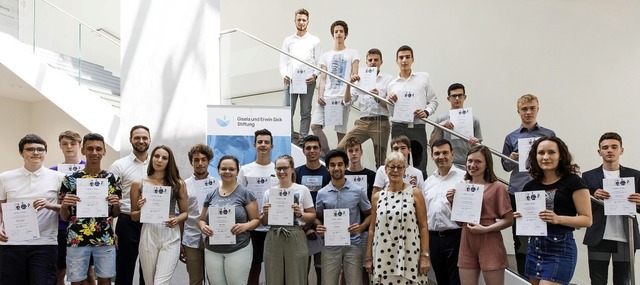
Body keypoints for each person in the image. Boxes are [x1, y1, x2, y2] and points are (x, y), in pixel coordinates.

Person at [513, 136, 592, 285]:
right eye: (541, 153)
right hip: (534, 247)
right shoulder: (530, 187)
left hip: (560, 247)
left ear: (560, 155)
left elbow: (586, 220)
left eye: (551, 152)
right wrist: (520, 216)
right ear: (535, 156)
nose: (545, 157)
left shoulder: (573, 181)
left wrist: (558, 219)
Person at [501, 94, 555, 275]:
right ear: (518, 112)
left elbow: (557, 161)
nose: (528, 112)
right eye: (524, 109)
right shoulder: (511, 137)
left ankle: (544, 274)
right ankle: (524, 276)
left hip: (545, 189)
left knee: (547, 233)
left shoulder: (549, 135)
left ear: (538, 109)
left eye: (532, 108)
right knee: (521, 238)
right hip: (518, 191)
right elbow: (505, 166)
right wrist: (511, 158)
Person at [0, 134, 65, 284]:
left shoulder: (59, 177)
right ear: (21, 153)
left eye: (40, 149)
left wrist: (50, 205)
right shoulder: (5, 177)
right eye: (30, 149)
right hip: (11, 243)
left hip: (45, 244)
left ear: (45, 153)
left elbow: (67, 209)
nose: (36, 153)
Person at [59, 133, 122, 285]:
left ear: (104, 151)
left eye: (98, 149)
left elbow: (115, 214)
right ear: (83, 150)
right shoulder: (70, 179)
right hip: (77, 237)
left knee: (105, 279)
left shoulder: (113, 179)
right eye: (90, 149)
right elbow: (64, 217)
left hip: (105, 237)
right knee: (77, 280)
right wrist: (64, 205)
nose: (94, 152)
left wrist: (116, 205)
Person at [447, 145, 512, 285]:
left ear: (487, 164)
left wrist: (485, 229)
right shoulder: (463, 186)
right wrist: (453, 202)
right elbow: (460, 222)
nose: (472, 165)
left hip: (489, 239)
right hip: (467, 239)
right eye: (470, 161)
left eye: (478, 161)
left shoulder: (497, 187)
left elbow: (509, 220)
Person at [582, 132, 640, 285]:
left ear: (621, 150)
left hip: (626, 238)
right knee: (597, 281)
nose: (609, 150)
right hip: (598, 237)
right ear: (599, 151)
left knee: (623, 281)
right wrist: (594, 197)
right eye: (605, 147)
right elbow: (582, 208)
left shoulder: (635, 175)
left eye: (614, 147)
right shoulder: (588, 176)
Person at [365, 152, 430, 284]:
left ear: (405, 169)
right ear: (385, 169)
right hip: (382, 255)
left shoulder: (415, 193)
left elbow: (423, 226)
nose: (395, 171)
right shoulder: (377, 197)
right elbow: (372, 228)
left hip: (410, 255)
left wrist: (424, 256)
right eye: (392, 167)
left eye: (400, 167)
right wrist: (368, 257)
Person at [130, 145, 188, 285]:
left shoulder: (178, 183)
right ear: (152, 158)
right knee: (150, 282)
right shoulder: (138, 183)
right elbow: (133, 216)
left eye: (164, 158)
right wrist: (141, 209)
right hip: (148, 232)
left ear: (169, 161)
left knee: (161, 282)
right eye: (156, 156)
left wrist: (177, 219)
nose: (159, 160)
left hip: (170, 232)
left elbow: (185, 213)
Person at [199, 155, 260, 285]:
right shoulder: (211, 194)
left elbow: (256, 220)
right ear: (218, 170)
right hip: (212, 250)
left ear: (237, 171)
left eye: (231, 169)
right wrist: (203, 227)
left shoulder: (245, 193)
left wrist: (244, 226)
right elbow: (202, 220)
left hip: (238, 249)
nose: (227, 172)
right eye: (224, 169)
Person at [315, 149, 371, 285]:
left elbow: (370, 214)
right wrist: (318, 226)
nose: (336, 168)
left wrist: (362, 226)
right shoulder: (322, 193)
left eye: (340, 164)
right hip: (330, 245)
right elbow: (317, 217)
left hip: (353, 245)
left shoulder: (358, 191)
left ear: (346, 166)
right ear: (328, 168)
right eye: (332, 165)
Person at [261, 155, 317, 285]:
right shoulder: (269, 193)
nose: (281, 172)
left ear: (292, 169)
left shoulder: (302, 189)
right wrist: (265, 214)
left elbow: (312, 215)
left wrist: (300, 214)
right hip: (274, 236)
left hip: (296, 235)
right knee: (273, 278)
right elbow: (264, 222)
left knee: (296, 279)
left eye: (285, 168)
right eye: (278, 168)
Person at [50, 130, 95, 285]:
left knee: (88, 271)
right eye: (65, 144)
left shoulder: (91, 169)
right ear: (60, 146)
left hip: (86, 226)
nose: (69, 147)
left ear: (80, 145)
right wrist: (63, 204)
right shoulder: (52, 172)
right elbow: (51, 200)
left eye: (73, 143)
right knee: (59, 271)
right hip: (61, 227)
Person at [337, 48, 393, 168]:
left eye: (376, 60)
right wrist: (348, 84)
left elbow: (391, 107)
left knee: (380, 160)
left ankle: (380, 185)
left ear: (381, 62)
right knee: (341, 148)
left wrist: (378, 97)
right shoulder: (359, 78)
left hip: (380, 122)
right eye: (370, 60)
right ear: (366, 62)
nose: (373, 62)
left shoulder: (389, 80)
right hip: (362, 122)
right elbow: (347, 102)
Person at [109, 125, 151, 285]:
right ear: (130, 140)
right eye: (137, 138)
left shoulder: (157, 165)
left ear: (149, 140)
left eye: (144, 138)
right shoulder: (119, 165)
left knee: (147, 271)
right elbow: (109, 198)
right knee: (124, 270)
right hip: (127, 223)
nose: (141, 141)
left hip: (151, 222)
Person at [311, 20, 359, 156]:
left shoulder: (352, 53)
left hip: (342, 98)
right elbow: (323, 78)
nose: (338, 34)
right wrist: (320, 95)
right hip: (326, 97)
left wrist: (350, 98)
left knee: (341, 133)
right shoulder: (325, 56)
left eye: (341, 31)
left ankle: (340, 160)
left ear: (345, 34)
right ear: (333, 34)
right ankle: (328, 155)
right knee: (315, 126)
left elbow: (355, 76)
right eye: (336, 31)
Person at [387, 45, 438, 173]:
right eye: (401, 57)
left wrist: (426, 112)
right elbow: (392, 112)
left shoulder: (423, 78)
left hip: (418, 127)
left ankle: (419, 193)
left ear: (412, 59)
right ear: (397, 61)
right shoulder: (392, 84)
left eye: (407, 57)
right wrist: (390, 101)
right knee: (398, 166)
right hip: (399, 127)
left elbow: (434, 101)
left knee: (420, 167)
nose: (404, 60)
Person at [422, 138, 465, 285]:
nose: (441, 157)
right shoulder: (427, 182)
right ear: (432, 156)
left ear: (452, 154)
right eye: (437, 153)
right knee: (441, 279)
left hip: (456, 236)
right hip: (434, 238)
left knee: (456, 280)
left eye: (445, 152)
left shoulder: (464, 178)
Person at [237, 129, 277, 285]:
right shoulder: (245, 170)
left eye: (266, 142)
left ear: (272, 146)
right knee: (253, 270)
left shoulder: (278, 169)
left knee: (276, 269)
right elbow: (239, 199)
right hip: (252, 229)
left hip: (274, 228)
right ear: (254, 145)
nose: (263, 145)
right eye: (260, 142)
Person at [279, 8, 322, 145]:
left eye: (304, 20)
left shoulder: (315, 40)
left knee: (305, 113)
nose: (301, 22)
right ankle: (289, 139)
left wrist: (315, 76)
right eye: (299, 19)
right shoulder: (288, 40)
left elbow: (319, 62)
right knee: (287, 112)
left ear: (308, 21)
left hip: (308, 81)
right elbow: (283, 61)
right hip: (291, 81)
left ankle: (303, 140)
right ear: (294, 21)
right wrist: (285, 75)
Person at [295, 135, 330, 284]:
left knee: (322, 271)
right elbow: (293, 201)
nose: (312, 151)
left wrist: (317, 225)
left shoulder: (328, 173)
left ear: (320, 150)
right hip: (301, 230)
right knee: (301, 273)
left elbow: (331, 203)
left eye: (315, 147)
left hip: (323, 230)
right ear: (303, 151)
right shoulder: (296, 173)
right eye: (308, 148)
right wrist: (306, 228)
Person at [181, 144, 218, 285]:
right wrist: (180, 243)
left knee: (215, 279)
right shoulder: (184, 185)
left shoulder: (218, 184)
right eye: (196, 160)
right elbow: (181, 215)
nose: (200, 163)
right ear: (191, 162)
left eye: (203, 159)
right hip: (191, 238)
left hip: (214, 237)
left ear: (209, 161)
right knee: (195, 280)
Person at [342, 137, 376, 284]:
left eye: (356, 150)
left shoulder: (372, 175)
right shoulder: (341, 175)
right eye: (350, 151)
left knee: (364, 269)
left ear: (361, 152)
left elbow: (373, 204)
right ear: (346, 153)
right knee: (344, 270)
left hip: (365, 228)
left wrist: (365, 226)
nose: (354, 154)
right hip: (345, 229)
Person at [429, 83, 482, 170]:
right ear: (448, 98)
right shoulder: (441, 119)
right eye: (454, 96)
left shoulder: (474, 120)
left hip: (468, 164)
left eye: (460, 95)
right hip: (447, 163)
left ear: (465, 97)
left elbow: (479, 148)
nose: (457, 98)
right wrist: (439, 127)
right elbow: (432, 144)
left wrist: (476, 142)